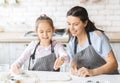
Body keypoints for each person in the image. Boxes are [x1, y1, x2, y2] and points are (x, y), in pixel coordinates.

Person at [66, 6, 119, 77]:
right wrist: (74, 68)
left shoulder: (97, 37)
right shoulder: (72, 43)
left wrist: (92, 72)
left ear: (85, 23)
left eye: (75, 24)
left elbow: (113, 64)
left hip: (110, 78)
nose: (71, 28)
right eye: (69, 24)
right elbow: (73, 64)